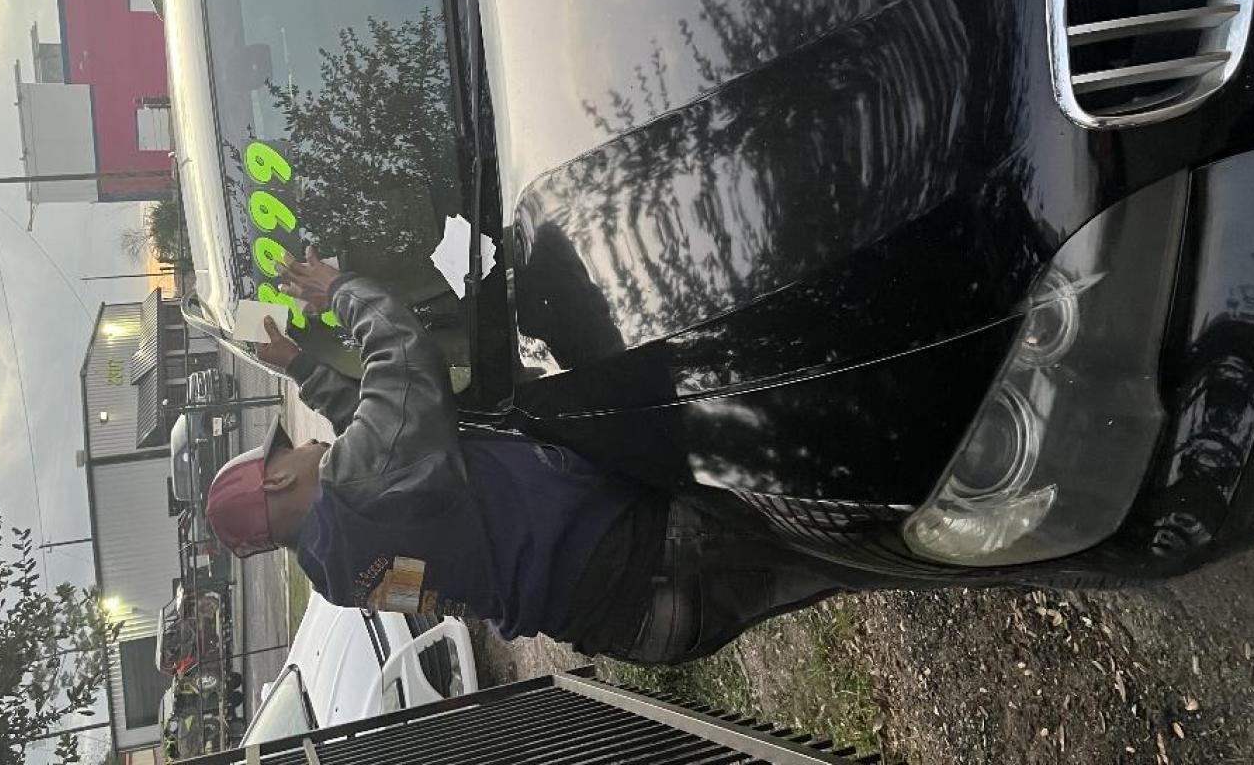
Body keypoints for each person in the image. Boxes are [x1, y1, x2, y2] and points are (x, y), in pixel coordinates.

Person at [206, 247, 860, 664]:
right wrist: (340, 288)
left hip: (629, 627)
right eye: (289, 451)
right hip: (647, 553)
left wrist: (300, 365)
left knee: (850, 564)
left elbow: (394, 443)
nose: (309, 442)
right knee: (852, 528)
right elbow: (402, 360)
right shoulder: (360, 479)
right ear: (277, 483)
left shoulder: (339, 568)